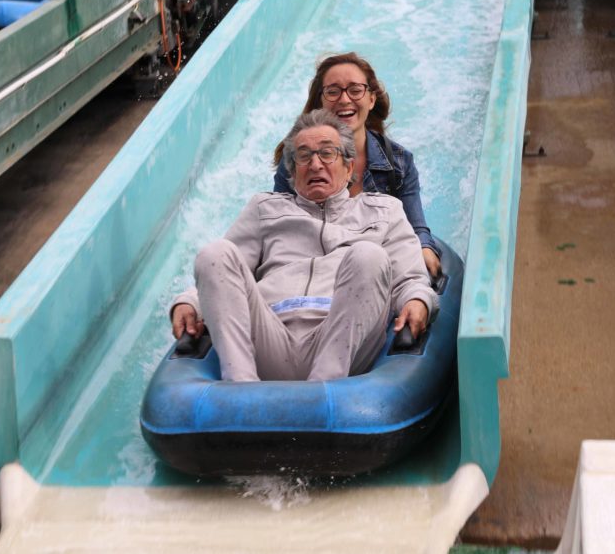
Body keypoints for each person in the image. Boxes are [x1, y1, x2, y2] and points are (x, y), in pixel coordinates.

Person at [171, 110, 436, 382]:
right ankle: (239, 387)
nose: (315, 164)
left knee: (369, 255)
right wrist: (190, 303)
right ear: (292, 170)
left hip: (343, 336)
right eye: (304, 156)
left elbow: (410, 278)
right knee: (213, 252)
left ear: (348, 168)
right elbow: (223, 268)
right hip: (270, 335)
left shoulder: (384, 210)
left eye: (327, 153)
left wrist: (417, 300)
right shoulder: (265, 209)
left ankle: (323, 387)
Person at [273, 52, 443, 277]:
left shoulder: (399, 163)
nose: (344, 100)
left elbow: (416, 228)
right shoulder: (296, 160)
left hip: (373, 267)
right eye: (333, 91)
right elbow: (279, 227)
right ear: (321, 102)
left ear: (371, 99)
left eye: (355, 90)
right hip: (315, 266)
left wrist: (424, 248)